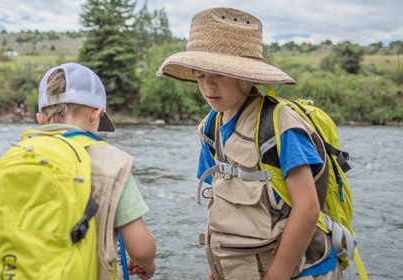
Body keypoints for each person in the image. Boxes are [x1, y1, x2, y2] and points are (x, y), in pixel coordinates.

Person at [156, 7, 341, 280]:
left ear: (246, 75)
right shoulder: (210, 128)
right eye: (200, 75)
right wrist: (214, 270)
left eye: (219, 73)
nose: (209, 86)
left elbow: (308, 208)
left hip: (302, 272)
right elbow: (219, 206)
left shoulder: (279, 126)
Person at [37, 63, 157, 279]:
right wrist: (147, 264)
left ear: (41, 119)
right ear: (96, 116)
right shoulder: (111, 162)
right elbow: (141, 249)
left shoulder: (18, 157)